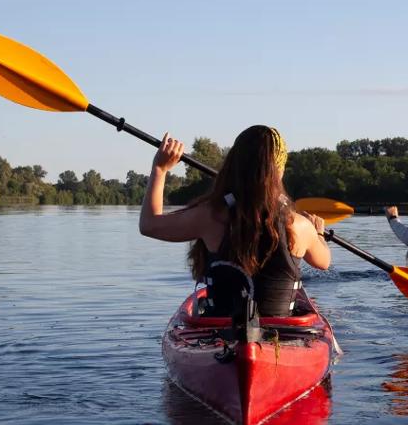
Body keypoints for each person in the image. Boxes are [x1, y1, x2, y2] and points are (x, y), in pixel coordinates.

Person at [138, 125, 330, 317]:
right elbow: (324, 262)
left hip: (220, 335)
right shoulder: (299, 225)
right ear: (280, 170)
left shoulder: (209, 216)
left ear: (233, 164)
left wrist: (160, 169)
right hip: (283, 337)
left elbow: (149, 225)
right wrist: (318, 233)